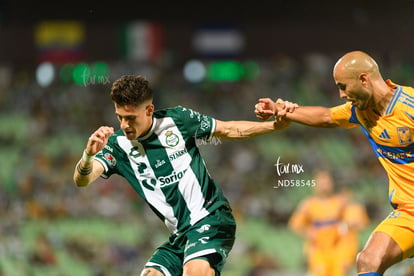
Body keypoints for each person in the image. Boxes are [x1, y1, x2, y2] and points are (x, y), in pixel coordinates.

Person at [73, 75, 292, 276]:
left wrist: (273, 126)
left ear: (149, 110)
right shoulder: (118, 145)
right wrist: (88, 155)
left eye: (131, 118)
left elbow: (227, 129)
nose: (124, 125)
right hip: (181, 236)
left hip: (211, 217)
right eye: (120, 117)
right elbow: (82, 180)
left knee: (194, 272)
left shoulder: (177, 119)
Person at [254, 50, 414, 275]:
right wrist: (282, 111)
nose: (341, 94)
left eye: (343, 86)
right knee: (368, 261)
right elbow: (326, 117)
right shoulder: (361, 111)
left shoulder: (410, 106)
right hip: (408, 212)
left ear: (363, 79)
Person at [288, 169, 348, 276]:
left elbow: (348, 224)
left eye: (327, 181)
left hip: (336, 250)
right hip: (318, 251)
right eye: (321, 181)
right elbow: (295, 224)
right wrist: (307, 233)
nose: (324, 185)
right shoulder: (308, 204)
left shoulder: (339, 203)